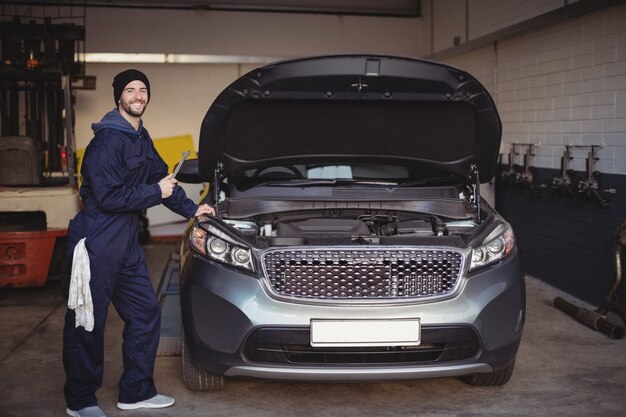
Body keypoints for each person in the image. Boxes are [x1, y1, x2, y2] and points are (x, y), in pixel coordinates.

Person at [62, 69, 214, 417]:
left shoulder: (140, 138)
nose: (137, 96)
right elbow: (108, 196)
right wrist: (153, 192)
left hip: (126, 242)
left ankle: (135, 391)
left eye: (142, 90)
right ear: (119, 97)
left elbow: (166, 183)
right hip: (97, 239)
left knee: (145, 313)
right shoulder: (106, 142)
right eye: (130, 90)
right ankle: (81, 400)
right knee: (87, 321)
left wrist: (195, 210)